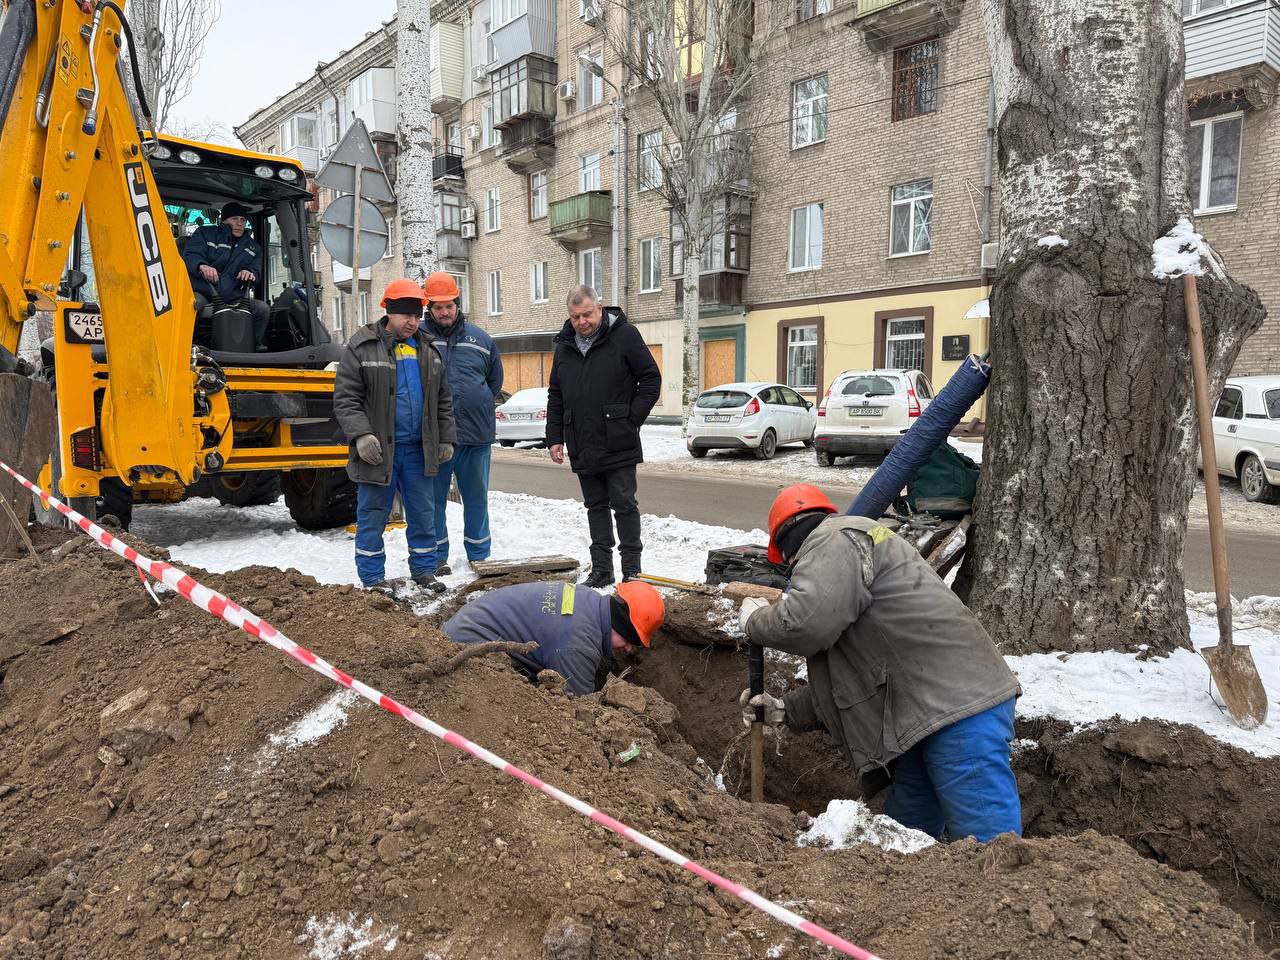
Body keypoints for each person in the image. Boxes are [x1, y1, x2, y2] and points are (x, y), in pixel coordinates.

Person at [739, 483, 1022, 843]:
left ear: (786, 550)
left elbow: (805, 623)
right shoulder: (851, 551)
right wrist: (785, 710)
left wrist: (756, 623)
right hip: (930, 714)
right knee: (904, 834)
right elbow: (851, 674)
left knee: (991, 845)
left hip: (958, 710)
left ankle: (1003, 899)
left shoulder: (833, 539)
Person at [333, 279, 456, 593]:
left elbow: (443, 399)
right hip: (379, 451)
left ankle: (425, 570)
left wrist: (446, 438)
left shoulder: (428, 349)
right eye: (406, 316)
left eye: (417, 316)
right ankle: (373, 579)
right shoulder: (361, 347)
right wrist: (361, 435)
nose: (413, 322)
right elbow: (346, 398)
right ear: (389, 311)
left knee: (423, 512)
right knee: (373, 514)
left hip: (417, 450)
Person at [546, 286, 661, 588]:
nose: (581, 322)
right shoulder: (564, 345)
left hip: (618, 438)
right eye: (575, 317)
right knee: (594, 506)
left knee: (624, 504)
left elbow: (651, 379)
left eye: (586, 314)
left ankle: (632, 570)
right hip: (581, 440)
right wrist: (555, 437)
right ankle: (601, 569)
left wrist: (631, 420)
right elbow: (556, 395)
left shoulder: (624, 335)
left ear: (600, 308)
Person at [441, 579, 664, 695]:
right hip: (465, 647)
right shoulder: (579, 645)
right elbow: (576, 707)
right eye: (629, 640)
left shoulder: (588, 598)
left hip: (467, 622)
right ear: (620, 625)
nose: (627, 649)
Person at [421, 272, 504, 575]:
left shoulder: (481, 339)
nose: (444, 312)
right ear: (428, 307)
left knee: (477, 499)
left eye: (449, 306)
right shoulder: (417, 338)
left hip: (475, 434)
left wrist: (475, 401)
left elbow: (494, 382)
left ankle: (479, 554)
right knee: (433, 501)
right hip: (434, 437)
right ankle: (437, 556)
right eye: (438, 306)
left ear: (458, 303)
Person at [181, 201, 271, 350]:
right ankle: (186, 346)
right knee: (192, 304)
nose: (239, 223)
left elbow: (257, 270)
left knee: (262, 309)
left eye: (242, 220)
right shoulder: (205, 234)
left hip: (234, 297)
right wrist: (202, 266)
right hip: (204, 292)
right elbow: (191, 256)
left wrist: (250, 273)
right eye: (235, 218)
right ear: (224, 220)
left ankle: (253, 347)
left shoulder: (253, 247)